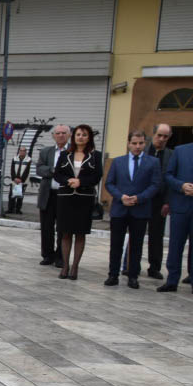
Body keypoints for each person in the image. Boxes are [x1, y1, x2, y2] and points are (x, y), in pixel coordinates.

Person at [104, 130, 162, 289]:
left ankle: (133, 276)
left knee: (136, 245)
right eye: (134, 143)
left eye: (141, 143)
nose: (137, 146)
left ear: (145, 143)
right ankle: (113, 274)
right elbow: (109, 183)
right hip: (120, 208)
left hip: (140, 209)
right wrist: (120, 197)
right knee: (116, 244)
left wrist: (140, 198)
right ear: (129, 143)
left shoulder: (153, 162)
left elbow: (156, 184)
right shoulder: (118, 162)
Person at [53, 124, 103, 280]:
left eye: (84, 134)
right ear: (73, 137)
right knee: (65, 233)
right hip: (66, 197)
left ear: (89, 138)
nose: (81, 137)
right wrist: (68, 180)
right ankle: (65, 266)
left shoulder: (96, 155)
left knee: (80, 233)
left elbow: (97, 176)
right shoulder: (65, 154)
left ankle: (75, 267)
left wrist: (81, 181)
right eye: (78, 134)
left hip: (84, 198)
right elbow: (57, 174)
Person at [158, 115, 193, 296]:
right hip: (180, 206)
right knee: (175, 244)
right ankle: (172, 280)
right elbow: (168, 175)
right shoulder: (180, 150)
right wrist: (182, 186)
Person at [141, 123, 174, 279]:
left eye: (165, 136)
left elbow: (171, 180)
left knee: (156, 236)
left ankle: (154, 267)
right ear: (152, 134)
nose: (161, 139)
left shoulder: (171, 155)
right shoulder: (142, 151)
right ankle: (129, 264)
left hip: (159, 201)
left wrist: (168, 202)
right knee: (136, 233)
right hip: (140, 199)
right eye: (159, 135)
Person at [37, 124, 71, 267]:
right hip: (48, 194)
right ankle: (47, 255)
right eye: (58, 133)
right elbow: (39, 169)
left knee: (63, 228)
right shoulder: (46, 151)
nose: (61, 135)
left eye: (64, 133)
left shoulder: (73, 152)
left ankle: (61, 256)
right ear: (53, 136)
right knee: (46, 227)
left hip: (65, 195)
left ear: (69, 135)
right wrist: (53, 170)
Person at [7, 145, 30, 215]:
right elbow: (12, 169)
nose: (22, 152)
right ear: (19, 151)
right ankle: (10, 209)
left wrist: (21, 180)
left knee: (20, 196)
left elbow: (27, 171)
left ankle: (18, 210)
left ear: (26, 152)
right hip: (14, 181)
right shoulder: (14, 158)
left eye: (24, 151)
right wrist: (14, 178)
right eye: (21, 150)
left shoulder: (28, 159)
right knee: (11, 195)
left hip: (23, 181)